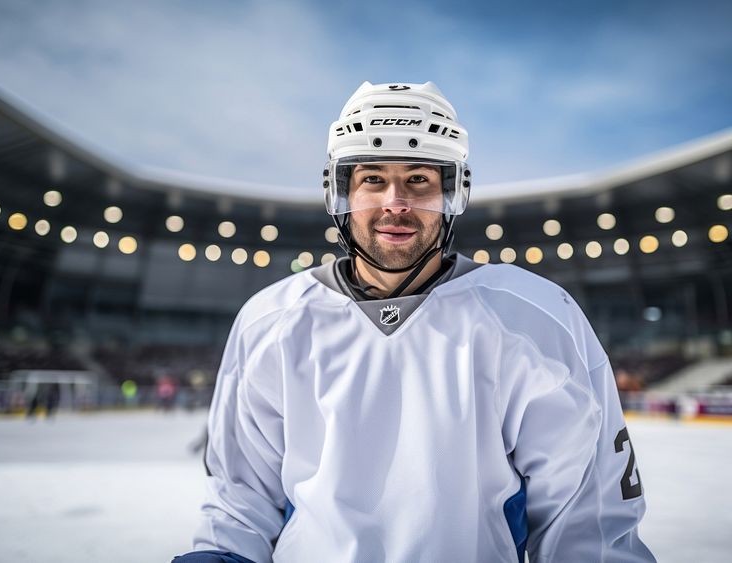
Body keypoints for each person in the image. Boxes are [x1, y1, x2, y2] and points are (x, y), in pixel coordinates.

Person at [173, 82, 654, 562]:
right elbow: (239, 506)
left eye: (419, 179)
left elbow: (587, 525)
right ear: (340, 190)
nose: (396, 202)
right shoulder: (271, 322)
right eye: (373, 179)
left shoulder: (535, 318)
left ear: (452, 190)